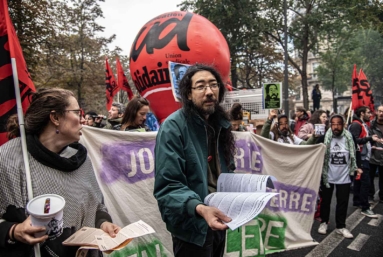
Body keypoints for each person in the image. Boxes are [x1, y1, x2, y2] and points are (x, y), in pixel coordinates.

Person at [0, 88, 120, 256]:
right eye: (77, 113)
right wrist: (13, 230)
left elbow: (96, 205)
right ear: (55, 117)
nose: (83, 120)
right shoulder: (9, 158)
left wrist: (103, 223)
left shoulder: (80, 160)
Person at [153, 64, 235, 257]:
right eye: (200, 86)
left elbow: (225, 171)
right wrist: (199, 209)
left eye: (214, 85)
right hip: (192, 227)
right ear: (188, 94)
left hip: (218, 220)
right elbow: (168, 186)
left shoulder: (220, 125)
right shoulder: (173, 127)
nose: (209, 92)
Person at [318, 114, 362, 238]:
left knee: (342, 202)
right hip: (328, 176)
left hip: (344, 176)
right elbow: (314, 151)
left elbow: (356, 151)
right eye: (333, 124)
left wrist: (358, 167)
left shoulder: (349, 137)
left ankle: (341, 226)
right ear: (330, 125)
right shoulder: (324, 138)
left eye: (339, 124)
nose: (336, 127)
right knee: (325, 201)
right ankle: (324, 222)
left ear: (343, 125)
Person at [349, 106, 380, 218]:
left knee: (359, 181)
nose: (370, 114)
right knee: (365, 182)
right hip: (360, 158)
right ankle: (365, 207)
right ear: (362, 113)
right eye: (368, 112)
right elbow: (354, 140)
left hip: (362, 156)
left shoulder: (361, 124)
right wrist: (370, 139)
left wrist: (371, 146)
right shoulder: (356, 125)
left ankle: (357, 201)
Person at [369, 105, 383, 203]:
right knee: (370, 177)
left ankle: (382, 196)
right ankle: (370, 196)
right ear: (376, 112)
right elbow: (367, 137)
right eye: (380, 111)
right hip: (373, 155)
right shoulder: (371, 124)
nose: (381, 113)